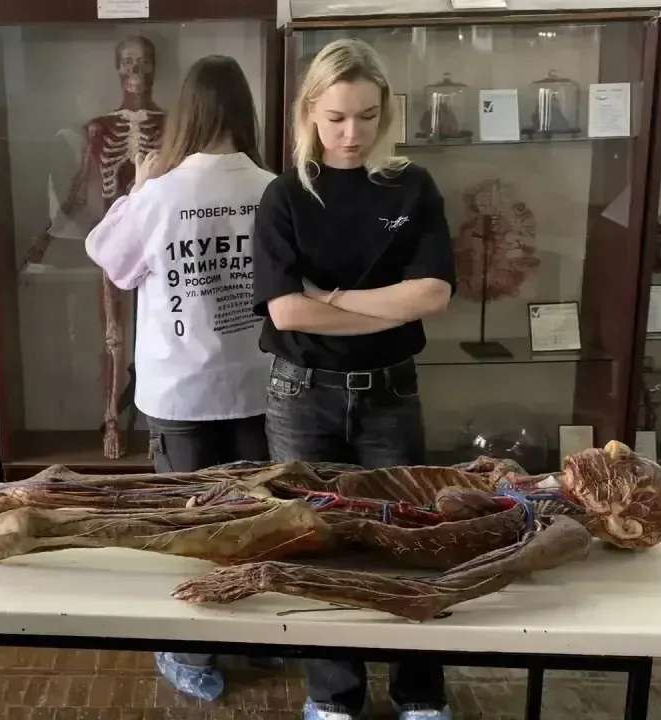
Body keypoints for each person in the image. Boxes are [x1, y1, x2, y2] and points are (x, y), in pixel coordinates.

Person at [251, 39, 458, 720]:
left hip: (390, 390)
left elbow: (433, 294)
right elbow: (286, 311)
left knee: (411, 537)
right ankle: (334, 695)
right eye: (337, 117)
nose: (351, 133)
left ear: (385, 113)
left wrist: (334, 300)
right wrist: (386, 305)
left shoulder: (412, 186)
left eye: (367, 117)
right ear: (310, 111)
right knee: (315, 539)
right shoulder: (284, 196)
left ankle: (418, 691)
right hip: (301, 394)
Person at [84, 54, 277, 702]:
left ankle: (194, 653)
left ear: (186, 114)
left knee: (193, 523)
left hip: (181, 394)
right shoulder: (272, 189)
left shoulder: (162, 194)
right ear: (244, 112)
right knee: (257, 512)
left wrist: (139, 186)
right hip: (260, 386)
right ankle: (258, 637)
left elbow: (113, 263)